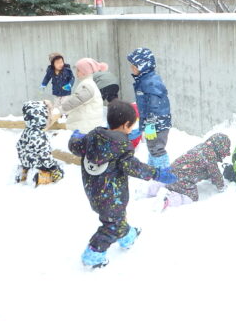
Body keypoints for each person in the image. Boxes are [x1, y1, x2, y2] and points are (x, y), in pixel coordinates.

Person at [69, 100, 177, 268]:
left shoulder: (93, 136)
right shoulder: (121, 147)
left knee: (116, 219)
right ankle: (93, 255)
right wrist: (157, 173)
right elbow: (135, 167)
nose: (133, 129)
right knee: (112, 226)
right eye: (132, 126)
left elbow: (75, 146)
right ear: (126, 125)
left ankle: (128, 237)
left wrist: (75, 137)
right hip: (113, 197)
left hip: (94, 191)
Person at [146, 133, 231, 209]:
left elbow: (205, 168)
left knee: (171, 180)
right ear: (220, 147)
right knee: (191, 196)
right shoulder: (210, 155)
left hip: (172, 170)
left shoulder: (202, 147)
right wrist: (222, 187)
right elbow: (215, 173)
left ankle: (155, 187)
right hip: (182, 177)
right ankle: (168, 200)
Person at [127, 48, 172, 169]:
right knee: (152, 147)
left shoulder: (150, 82)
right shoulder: (144, 80)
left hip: (157, 123)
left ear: (143, 66)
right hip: (152, 122)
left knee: (157, 148)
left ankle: (163, 173)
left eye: (134, 66)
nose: (132, 69)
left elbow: (155, 105)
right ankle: (153, 169)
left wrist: (150, 124)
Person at [15, 100, 64, 187]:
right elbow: (45, 155)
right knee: (58, 174)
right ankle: (38, 177)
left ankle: (24, 172)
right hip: (38, 163)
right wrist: (53, 167)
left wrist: (24, 160)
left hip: (26, 161)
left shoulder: (27, 131)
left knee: (30, 162)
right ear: (41, 117)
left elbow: (19, 146)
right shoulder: (39, 135)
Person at [61, 58, 105, 134]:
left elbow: (77, 100)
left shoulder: (87, 85)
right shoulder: (88, 83)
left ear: (85, 72)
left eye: (78, 70)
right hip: (87, 125)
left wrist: (61, 109)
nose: (76, 72)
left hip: (85, 128)